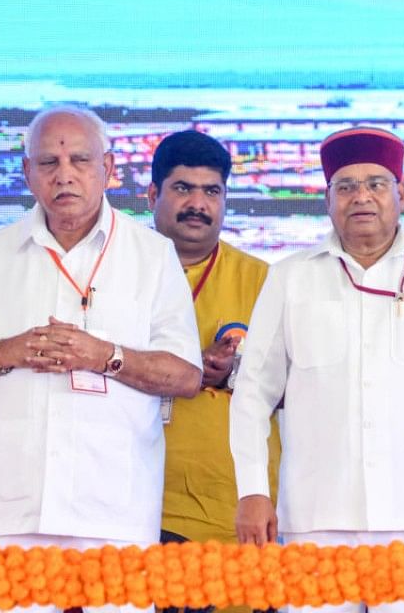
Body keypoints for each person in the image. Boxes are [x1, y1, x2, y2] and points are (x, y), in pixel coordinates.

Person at [229, 127, 404, 613]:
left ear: (401, 194)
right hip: (314, 520)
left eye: (376, 184)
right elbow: (252, 394)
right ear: (328, 198)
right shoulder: (290, 277)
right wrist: (253, 490)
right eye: (346, 185)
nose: (362, 196)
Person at [0, 106, 202, 612]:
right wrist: (5, 352)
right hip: (16, 511)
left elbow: (186, 375)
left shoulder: (152, 255)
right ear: (27, 173)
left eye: (80, 159)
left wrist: (105, 356)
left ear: (109, 167)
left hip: (115, 511)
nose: (65, 175)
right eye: (48, 162)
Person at [148, 131, 281, 579]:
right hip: (131, 502)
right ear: (153, 194)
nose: (198, 204)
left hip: (232, 507)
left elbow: (305, 387)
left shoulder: (265, 282)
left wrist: (233, 373)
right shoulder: (117, 274)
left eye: (212, 191)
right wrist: (172, 369)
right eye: (183, 188)